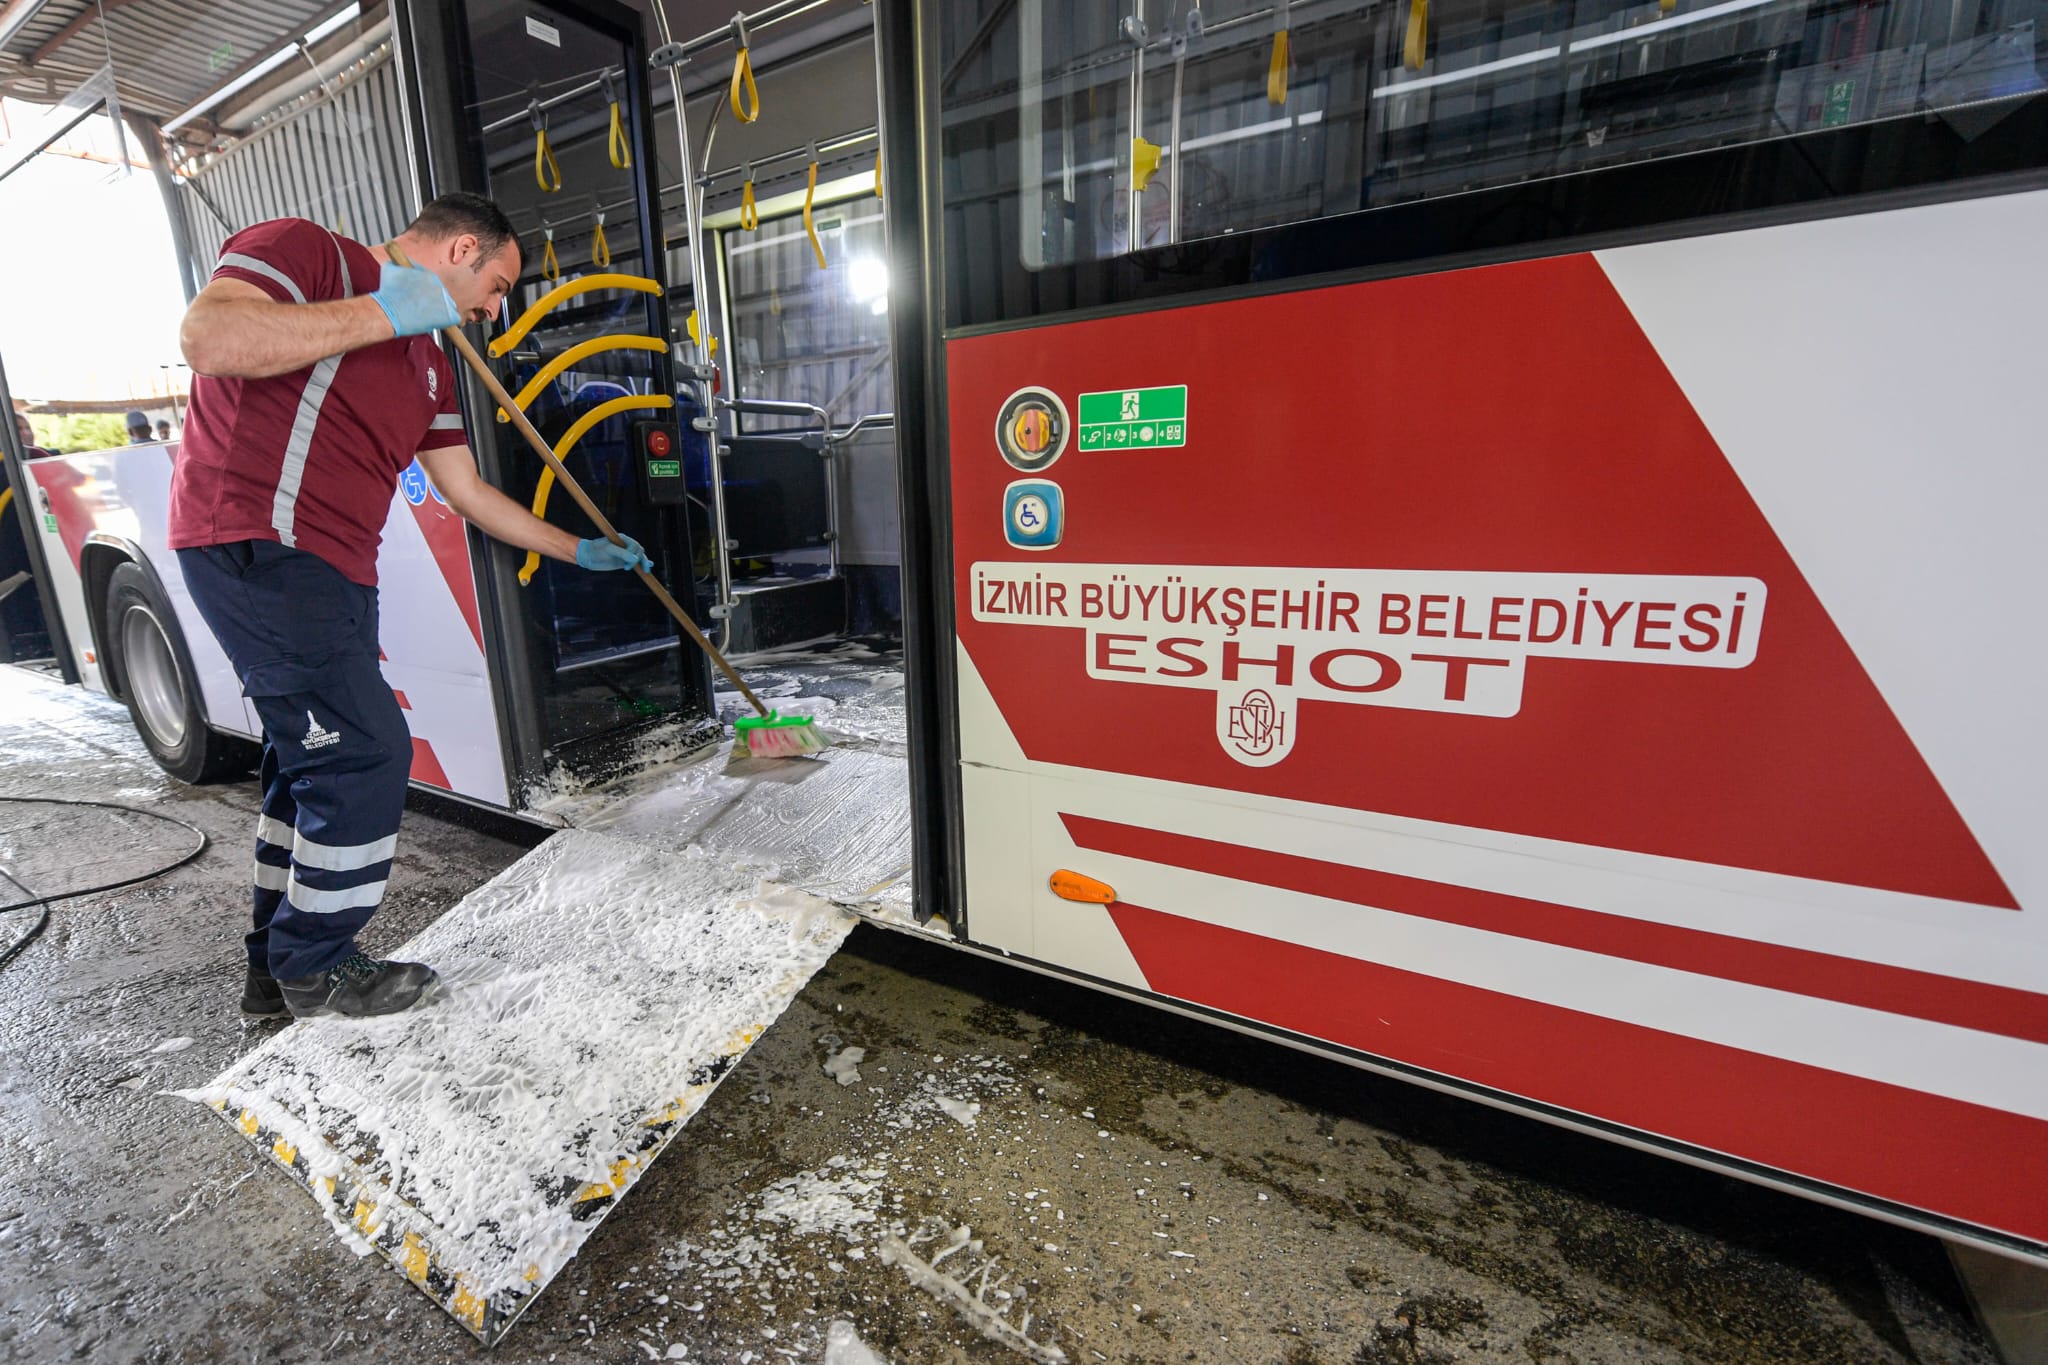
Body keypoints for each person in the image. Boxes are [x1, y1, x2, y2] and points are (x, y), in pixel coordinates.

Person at [170, 191, 653, 1021]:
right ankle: (315, 969)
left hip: (337, 569)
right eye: (496, 286)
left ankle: (272, 968)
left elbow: (466, 489)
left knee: (308, 767)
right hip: (258, 541)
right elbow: (210, 339)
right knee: (365, 752)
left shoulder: (431, 360)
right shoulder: (309, 250)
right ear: (462, 249)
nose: (495, 310)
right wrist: (380, 311)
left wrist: (579, 549)